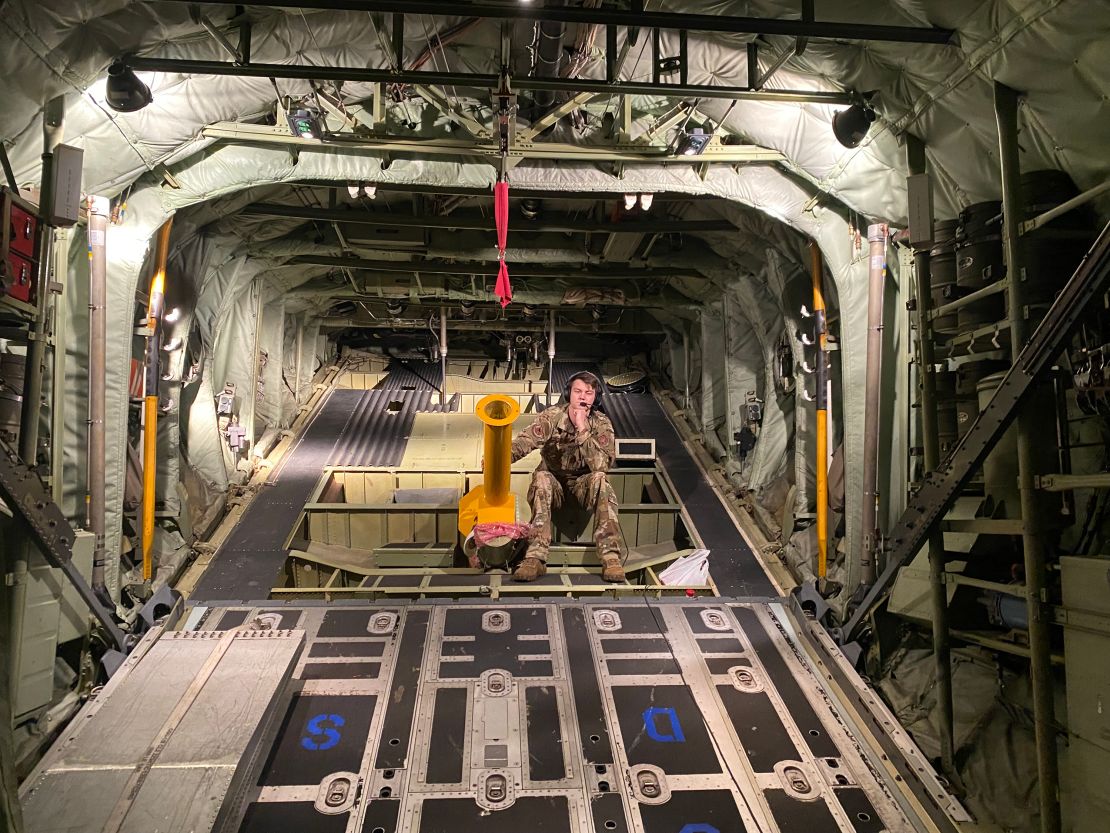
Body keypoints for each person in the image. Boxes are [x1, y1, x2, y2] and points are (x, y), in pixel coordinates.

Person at [509, 370, 626, 582]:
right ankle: (535, 558)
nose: (582, 397)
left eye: (589, 393)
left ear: (595, 398)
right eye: (578, 391)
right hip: (554, 482)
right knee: (542, 477)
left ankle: (610, 558)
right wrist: (498, 458)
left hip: (584, 483)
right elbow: (525, 441)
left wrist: (582, 428)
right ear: (568, 394)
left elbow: (601, 465)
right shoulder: (552, 416)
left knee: (601, 480)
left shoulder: (601, 423)